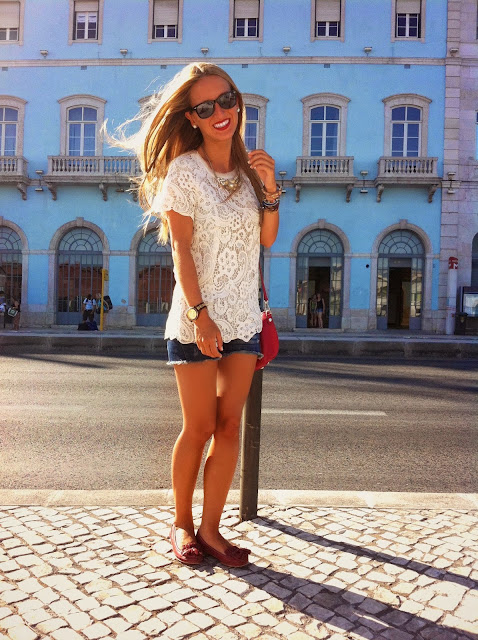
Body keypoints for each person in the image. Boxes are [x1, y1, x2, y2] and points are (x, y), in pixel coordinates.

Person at [117, 62, 279, 567]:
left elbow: (266, 239)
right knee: (199, 426)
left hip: (244, 317)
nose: (220, 113)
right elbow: (180, 251)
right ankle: (182, 525)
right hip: (198, 317)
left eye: (226, 100)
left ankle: (212, 530)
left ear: (238, 102)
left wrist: (270, 189)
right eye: (205, 108)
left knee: (229, 426)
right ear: (191, 117)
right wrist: (200, 314)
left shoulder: (252, 170)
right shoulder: (185, 171)